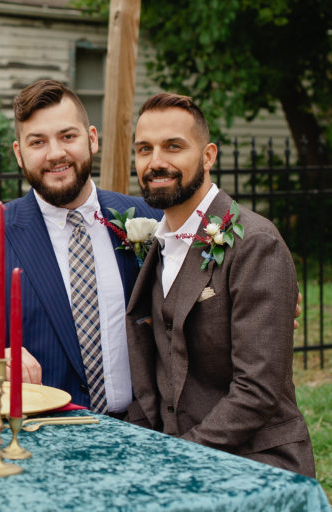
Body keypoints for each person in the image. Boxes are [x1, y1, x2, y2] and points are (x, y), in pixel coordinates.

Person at [0, 79, 162, 415]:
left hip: (143, 434)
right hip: (40, 434)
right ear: (19, 154)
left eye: (68, 136)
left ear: (92, 139)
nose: (55, 153)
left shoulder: (148, 219)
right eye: (37, 142)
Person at [125, 92, 315, 477]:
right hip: (176, 458)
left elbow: (258, 390)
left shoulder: (256, 243)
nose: (156, 161)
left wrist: (176, 458)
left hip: (255, 463)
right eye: (144, 149)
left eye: (173, 146)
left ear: (208, 156)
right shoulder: (158, 244)